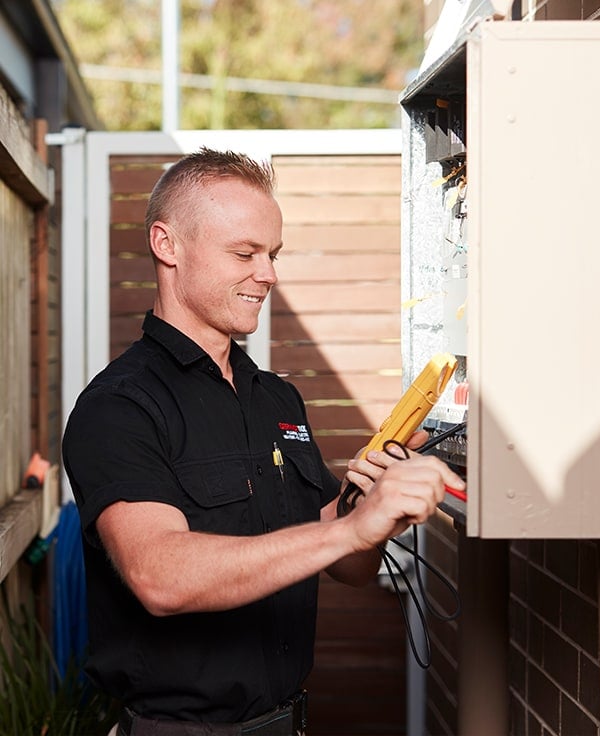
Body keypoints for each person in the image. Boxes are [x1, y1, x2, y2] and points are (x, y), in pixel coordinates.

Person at [62, 147, 465, 736]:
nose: (269, 274)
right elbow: (159, 576)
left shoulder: (276, 398)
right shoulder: (120, 407)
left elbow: (351, 564)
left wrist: (369, 505)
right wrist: (347, 528)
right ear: (166, 244)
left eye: (272, 254)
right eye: (244, 253)